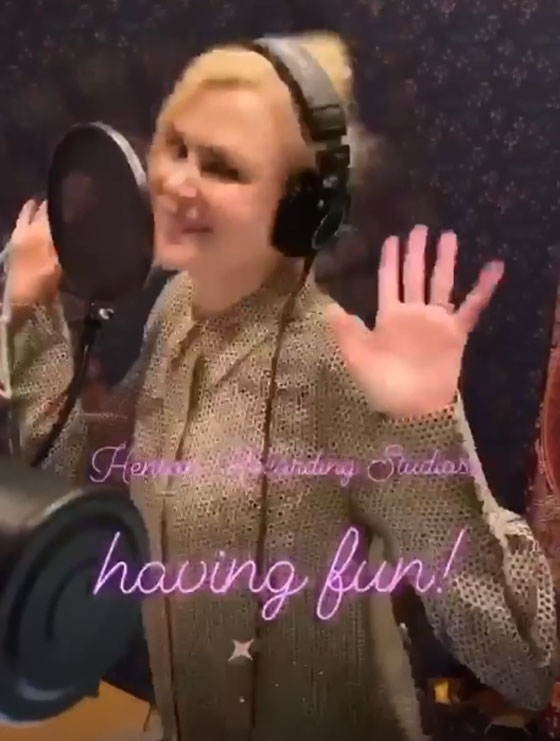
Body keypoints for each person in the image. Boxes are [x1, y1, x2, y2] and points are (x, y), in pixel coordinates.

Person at [3, 31, 558, 741]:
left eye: (223, 167)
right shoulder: (178, 313)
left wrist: (427, 424)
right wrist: (35, 314)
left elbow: (522, 660)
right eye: (176, 147)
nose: (175, 182)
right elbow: (78, 476)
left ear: (301, 208)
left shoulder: (337, 368)